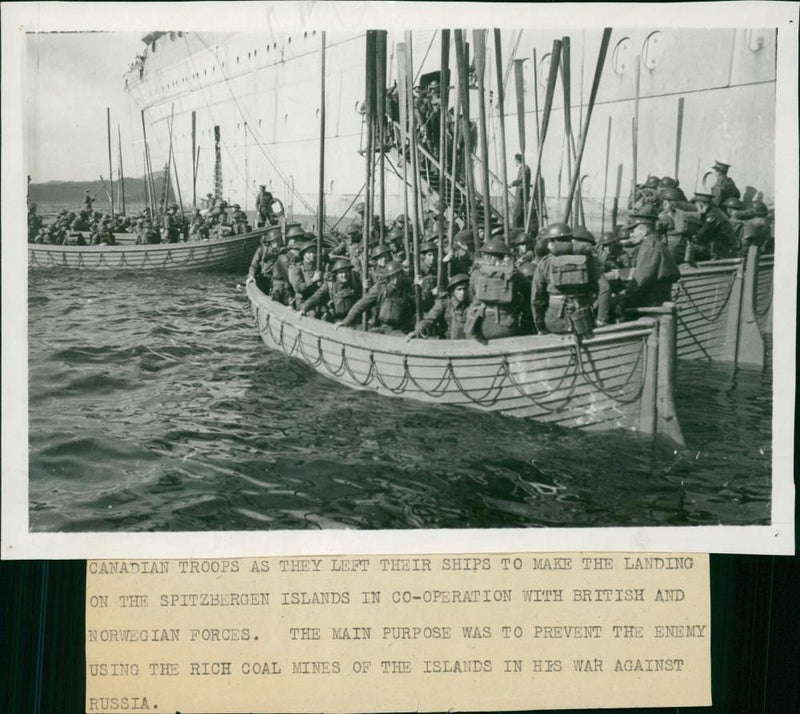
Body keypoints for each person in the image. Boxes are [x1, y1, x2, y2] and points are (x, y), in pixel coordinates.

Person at [531, 222, 609, 336]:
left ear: (555, 242)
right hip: (583, 320)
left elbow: (536, 299)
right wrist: (601, 319)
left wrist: (541, 327)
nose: (547, 246)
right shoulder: (587, 261)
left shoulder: (545, 264)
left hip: (554, 322)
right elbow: (605, 288)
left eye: (549, 242)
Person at [614, 209, 681, 312]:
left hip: (650, 302)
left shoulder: (649, 247)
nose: (631, 234)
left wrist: (624, 300)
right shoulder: (658, 244)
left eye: (633, 231)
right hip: (659, 298)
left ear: (644, 231)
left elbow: (641, 278)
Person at [465, 237, 525, 341]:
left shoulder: (477, 273)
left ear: (489, 257)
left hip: (482, 326)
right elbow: (529, 293)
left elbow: (470, 296)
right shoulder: (514, 274)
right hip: (508, 327)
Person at [336, 260, 414, 334]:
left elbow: (420, 305)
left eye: (398, 275)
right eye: (392, 276)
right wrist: (346, 321)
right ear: (388, 277)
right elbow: (361, 305)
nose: (396, 279)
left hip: (402, 328)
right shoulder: (381, 288)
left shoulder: (407, 288)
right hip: (384, 327)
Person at [407, 273, 471, 340]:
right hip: (448, 344)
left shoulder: (472, 305)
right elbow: (429, 320)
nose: (463, 292)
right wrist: (419, 330)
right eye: (459, 289)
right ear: (452, 291)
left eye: (465, 289)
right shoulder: (444, 304)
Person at [690, 192, 737, 260]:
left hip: (724, 252)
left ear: (701, 205)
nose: (696, 209)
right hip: (723, 248)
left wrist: (692, 237)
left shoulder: (713, 215)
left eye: (696, 206)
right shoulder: (714, 211)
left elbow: (702, 233)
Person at [246, 226, 284, 293]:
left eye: (278, 240)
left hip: (277, 280)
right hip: (263, 278)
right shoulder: (263, 249)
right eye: (274, 242)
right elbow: (254, 265)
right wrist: (251, 275)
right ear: (270, 242)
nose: (277, 244)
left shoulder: (284, 251)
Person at [289, 240, 324, 308]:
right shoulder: (297, 268)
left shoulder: (318, 267)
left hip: (317, 300)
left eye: (314, 252)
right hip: (303, 301)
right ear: (303, 254)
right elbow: (298, 288)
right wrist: (313, 280)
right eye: (309, 252)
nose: (312, 255)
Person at [511, 153, 532, 228]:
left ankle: (515, 228)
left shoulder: (524, 168)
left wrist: (512, 183)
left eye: (515, 161)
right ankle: (519, 227)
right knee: (520, 212)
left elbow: (521, 179)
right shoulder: (523, 168)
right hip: (521, 193)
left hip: (522, 193)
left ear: (517, 160)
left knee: (518, 212)